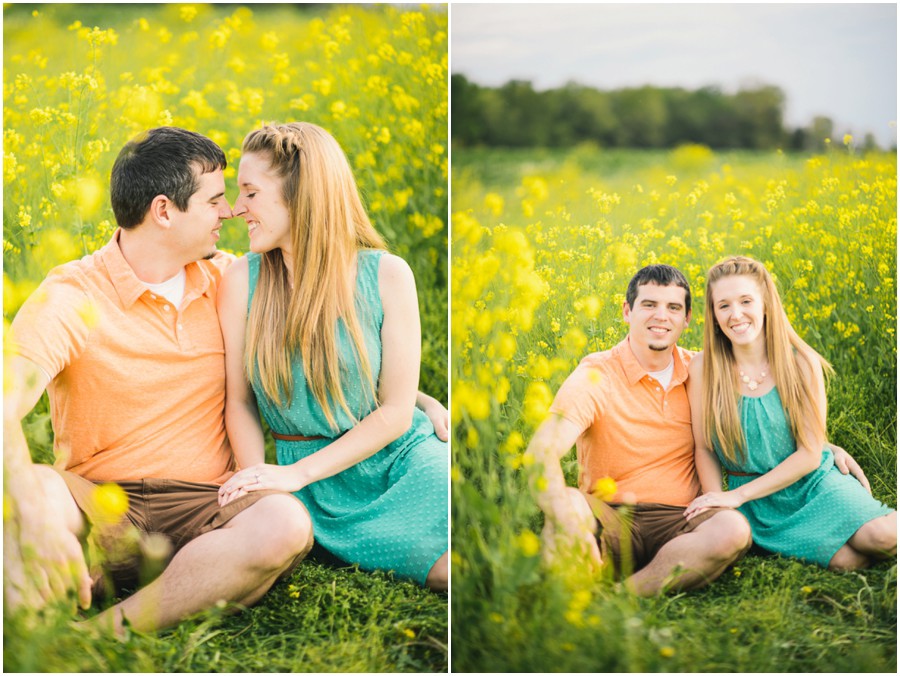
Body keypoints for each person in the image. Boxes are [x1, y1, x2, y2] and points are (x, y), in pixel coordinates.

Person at [4, 126, 448, 632]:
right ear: (165, 211)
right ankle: (34, 629)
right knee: (29, 493)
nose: (232, 211)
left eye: (240, 195)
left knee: (283, 522)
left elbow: (322, 356)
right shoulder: (70, 296)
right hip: (100, 499)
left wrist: (415, 399)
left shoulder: (227, 277)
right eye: (216, 200)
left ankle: (101, 633)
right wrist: (27, 503)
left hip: (206, 505)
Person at [525, 264, 868, 595]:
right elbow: (541, 454)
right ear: (627, 311)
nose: (662, 316)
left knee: (733, 528)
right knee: (567, 504)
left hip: (681, 520)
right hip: (609, 515)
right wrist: (569, 521)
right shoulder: (595, 375)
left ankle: (619, 598)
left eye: (673, 307)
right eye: (649, 305)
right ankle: (565, 596)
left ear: (687, 319)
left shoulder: (703, 371)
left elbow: (763, 420)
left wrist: (824, 447)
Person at [215, 122, 448, 590]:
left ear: (301, 194)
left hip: (395, 458)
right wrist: (260, 479)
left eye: (250, 192)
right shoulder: (242, 280)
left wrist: (295, 474)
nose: (238, 208)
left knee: (448, 570)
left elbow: (395, 413)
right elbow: (238, 401)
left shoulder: (387, 275)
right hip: (308, 481)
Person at [683, 256, 896, 569]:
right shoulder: (702, 369)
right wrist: (719, 504)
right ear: (713, 315)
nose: (736, 314)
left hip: (812, 481)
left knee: (881, 537)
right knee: (846, 562)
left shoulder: (801, 363)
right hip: (757, 502)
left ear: (766, 304)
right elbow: (704, 447)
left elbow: (810, 454)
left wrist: (736, 497)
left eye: (746, 301)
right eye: (724, 305)